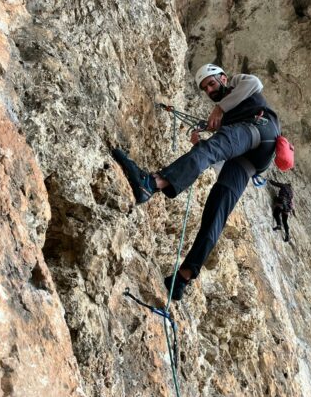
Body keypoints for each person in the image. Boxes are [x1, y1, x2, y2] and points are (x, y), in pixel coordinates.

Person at [112, 63, 280, 300]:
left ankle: (151, 184)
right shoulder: (227, 118)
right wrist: (201, 144)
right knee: (217, 209)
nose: (210, 90)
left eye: (211, 83)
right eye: (205, 89)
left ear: (223, 77)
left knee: (211, 148)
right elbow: (217, 156)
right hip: (250, 160)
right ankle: (183, 277)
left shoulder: (236, 84)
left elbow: (255, 83)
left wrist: (219, 110)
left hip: (258, 129)